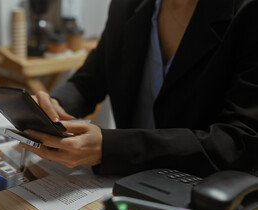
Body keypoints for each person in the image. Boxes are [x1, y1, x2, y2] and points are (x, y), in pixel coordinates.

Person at [20, 0, 258, 177]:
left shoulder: (248, 12)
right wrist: (54, 105)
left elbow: (239, 142)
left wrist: (111, 147)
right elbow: (90, 80)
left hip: (199, 194)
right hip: (122, 183)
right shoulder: (126, 5)